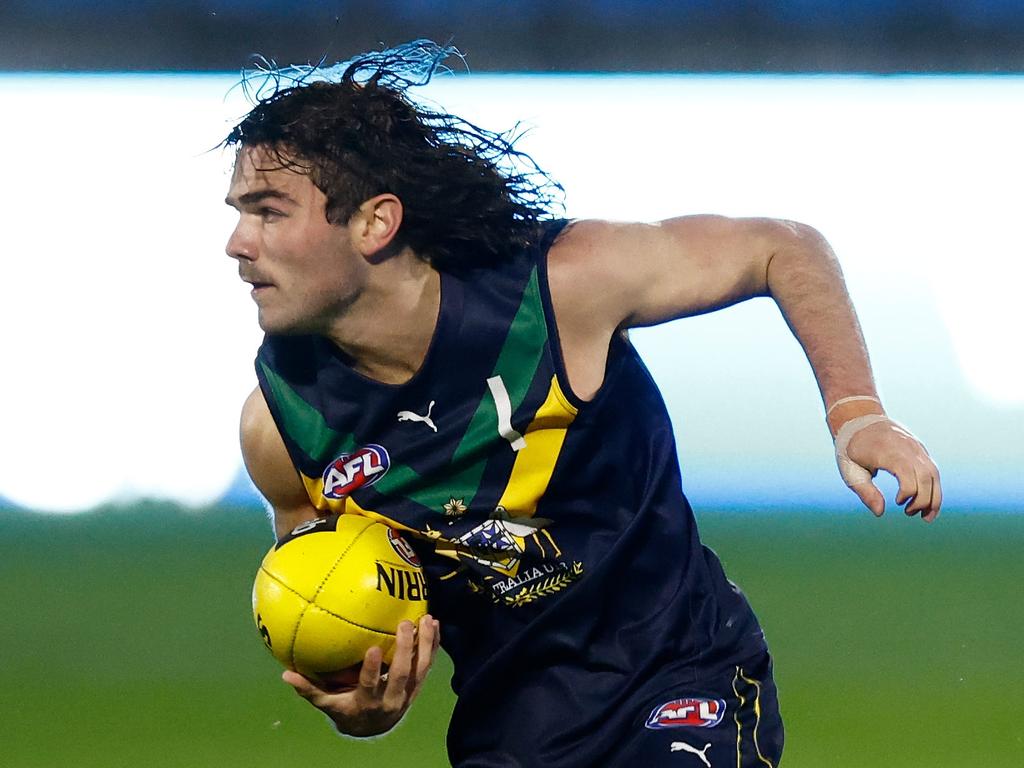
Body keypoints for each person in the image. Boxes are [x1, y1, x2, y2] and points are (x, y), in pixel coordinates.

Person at [223, 41, 941, 768]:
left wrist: (857, 413)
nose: (236, 243)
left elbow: (780, 247)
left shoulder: (558, 291)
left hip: (682, 681)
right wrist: (362, 709)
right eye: (239, 214)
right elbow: (341, 631)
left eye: (268, 212)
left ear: (376, 222)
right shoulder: (282, 431)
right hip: (509, 737)